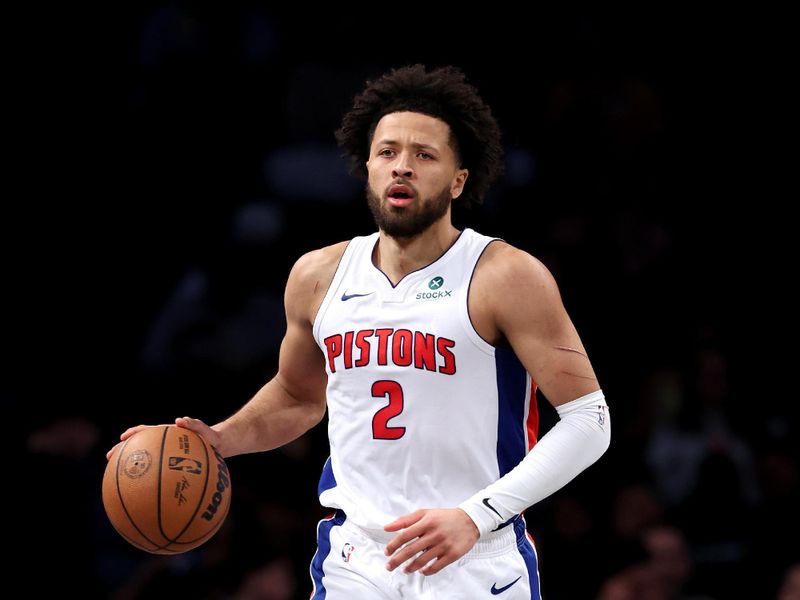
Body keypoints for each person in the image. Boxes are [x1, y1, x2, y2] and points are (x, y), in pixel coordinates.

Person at [108, 64, 611, 599]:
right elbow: (298, 395)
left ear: (459, 179)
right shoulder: (317, 275)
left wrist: (478, 514)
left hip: (472, 554)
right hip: (356, 559)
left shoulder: (505, 275)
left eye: (425, 155)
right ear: (367, 166)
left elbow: (589, 420)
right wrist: (221, 438)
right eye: (388, 152)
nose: (403, 168)